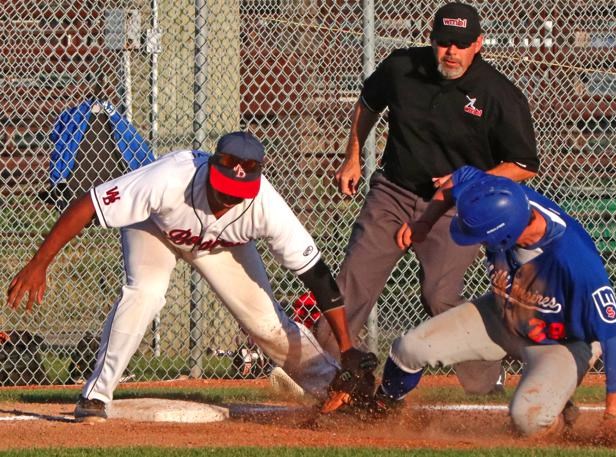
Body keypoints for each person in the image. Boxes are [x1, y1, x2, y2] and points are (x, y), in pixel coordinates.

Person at [6, 131, 376, 421]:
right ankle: (96, 395)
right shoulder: (170, 177)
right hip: (154, 228)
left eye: (239, 194)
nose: (230, 199)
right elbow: (90, 203)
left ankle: (339, 393)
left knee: (267, 325)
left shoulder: (266, 204)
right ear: (211, 168)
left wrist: (346, 349)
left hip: (221, 246)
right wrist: (40, 263)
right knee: (146, 293)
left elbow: (317, 275)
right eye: (225, 189)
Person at [315, 1, 540, 395]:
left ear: (478, 44)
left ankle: (488, 381)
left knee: (438, 296)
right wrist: (352, 158)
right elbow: (368, 103)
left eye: (461, 43)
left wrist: (466, 180)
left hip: (456, 209)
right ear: (430, 39)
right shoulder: (403, 68)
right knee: (352, 285)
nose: (451, 51)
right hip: (395, 192)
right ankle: (336, 378)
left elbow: (523, 164)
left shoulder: (499, 94)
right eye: (443, 41)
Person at [368, 166, 616, 436]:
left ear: (505, 237)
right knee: (410, 348)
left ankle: (559, 417)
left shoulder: (575, 263)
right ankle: (382, 408)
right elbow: (457, 180)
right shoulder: (499, 197)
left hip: (561, 342)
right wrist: (425, 221)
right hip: (503, 314)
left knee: (528, 420)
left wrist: (614, 418)